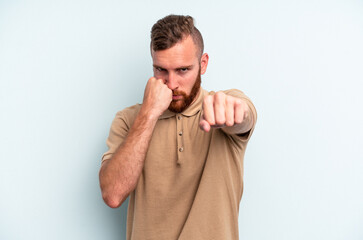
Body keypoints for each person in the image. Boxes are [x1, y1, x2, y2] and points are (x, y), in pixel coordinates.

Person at [99, 14, 257, 240]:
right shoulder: (128, 120)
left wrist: (237, 114)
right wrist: (149, 113)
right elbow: (112, 194)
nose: (171, 84)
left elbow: (244, 116)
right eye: (161, 70)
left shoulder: (222, 105)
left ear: (203, 64)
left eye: (183, 70)